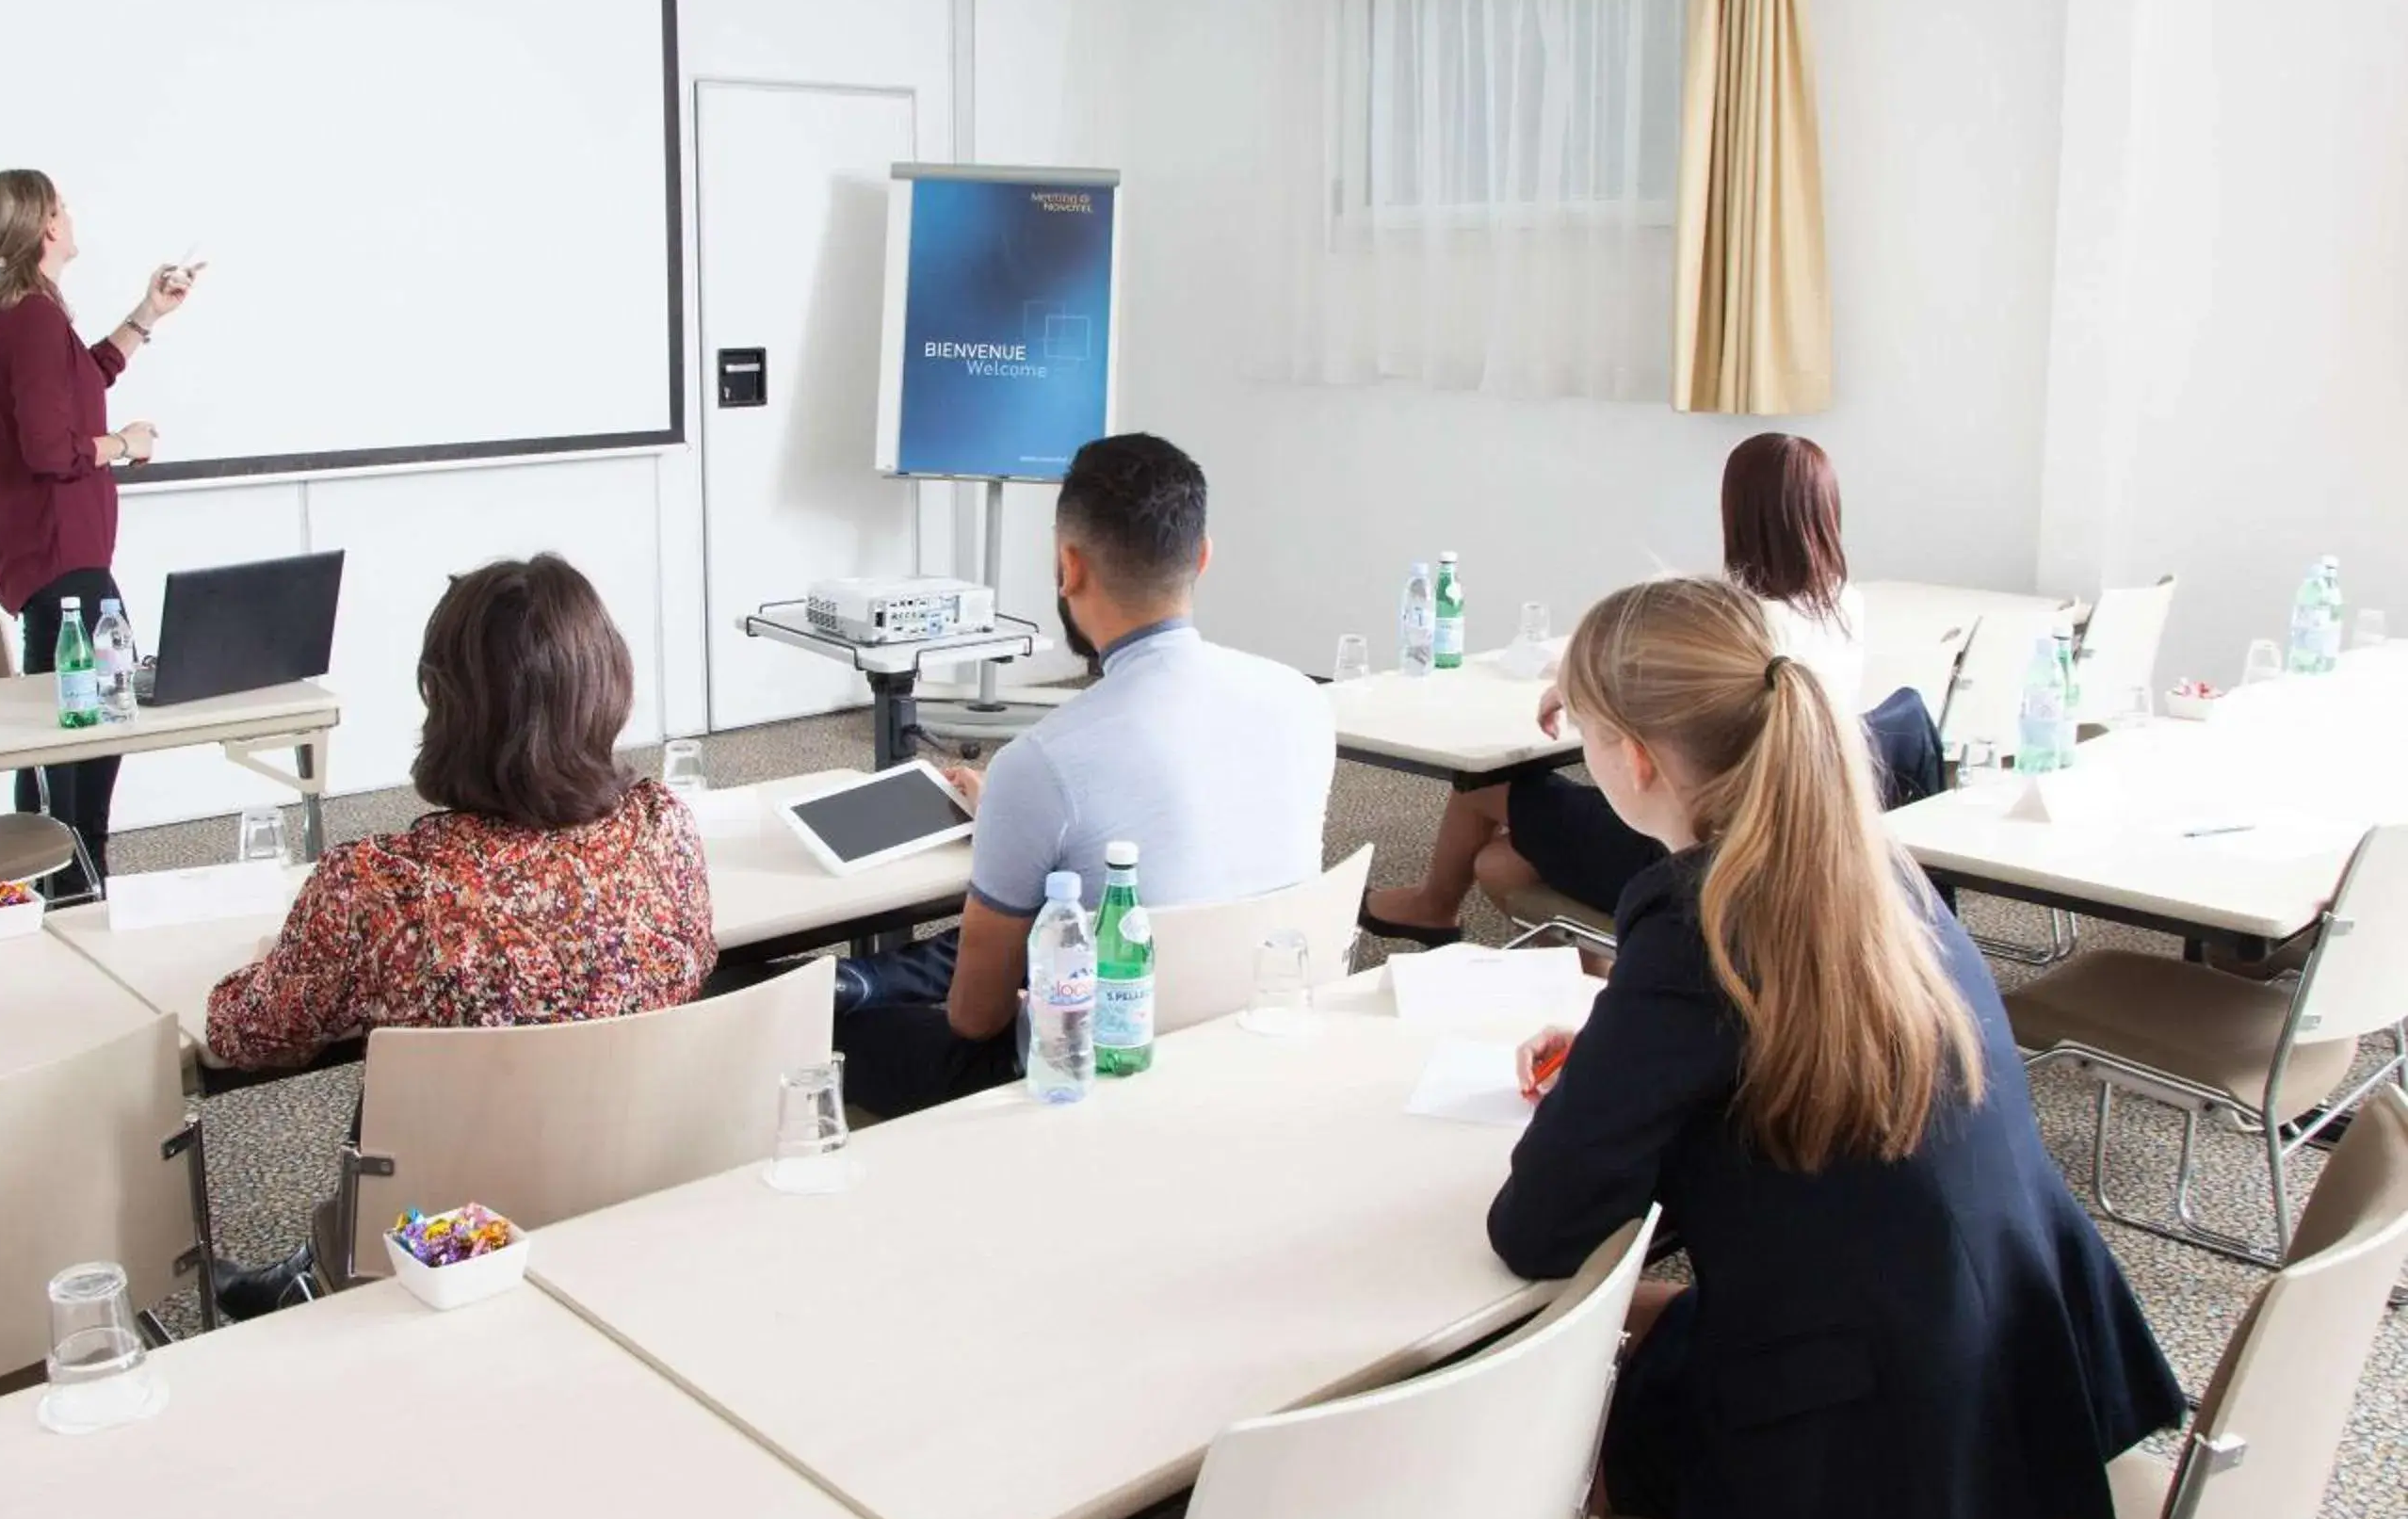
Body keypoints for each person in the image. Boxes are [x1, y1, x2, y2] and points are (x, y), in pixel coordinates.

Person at [1485, 576, 2180, 1519]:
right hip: (2018, 1385)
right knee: (1645, 1318)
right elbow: (1794, 1059)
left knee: (1550, 1401)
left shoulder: (1696, 925)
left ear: (1633, 758)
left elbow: (1538, 1230)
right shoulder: (1872, 867)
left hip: (1878, 1455)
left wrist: (1617, 1087)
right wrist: (1633, 1065)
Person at [208, 556, 714, 1317]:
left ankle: (321, 1272)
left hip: (439, 1253)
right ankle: (312, 1269)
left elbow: (243, 1036)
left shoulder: (376, 886)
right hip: (637, 1197)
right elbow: (701, 958)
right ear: (610, 682)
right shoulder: (662, 827)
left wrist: (285, 965)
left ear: (442, 702)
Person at [833, 434, 1334, 1118]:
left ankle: (842, 994)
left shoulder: (1040, 764)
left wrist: (1017, 815)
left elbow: (975, 1018)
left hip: (1092, 1074)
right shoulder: (1303, 699)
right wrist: (1013, 822)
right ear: (1204, 558)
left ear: (1069, 567)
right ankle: (868, 979)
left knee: (827, 1036)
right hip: (1254, 1037)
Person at [1364, 431, 1866, 940]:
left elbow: (1638, 704)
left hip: (1689, 837)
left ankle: (1433, 906)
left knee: (1482, 784)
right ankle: (1603, 971)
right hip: (1782, 835)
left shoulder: (1741, 625)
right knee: (1498, 862)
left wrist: (1574, 685)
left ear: (1737, 510)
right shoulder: (1845, 606)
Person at [0, 170, 203, 894]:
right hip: (64, 562)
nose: (73, 215)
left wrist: (147, 313)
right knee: (87, 737)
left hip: (48, 560)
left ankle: (53, 886)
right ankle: (76, 889)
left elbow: (81, 380)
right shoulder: (30, 317)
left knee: (55, 733)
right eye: (63, 206)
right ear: (45, 228)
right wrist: (122, 444)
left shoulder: (13, 315)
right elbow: (48, 447)